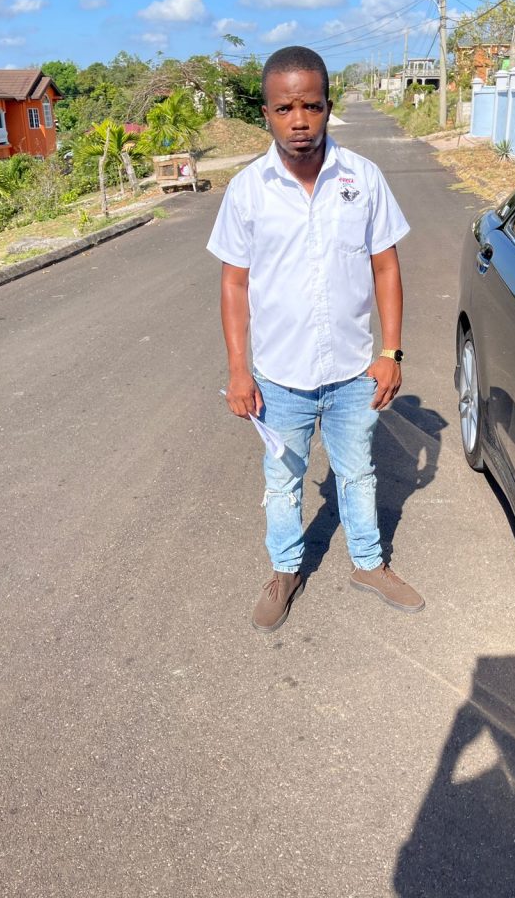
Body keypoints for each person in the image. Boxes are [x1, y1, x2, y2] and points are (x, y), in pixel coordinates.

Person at [207, 45, 424, 632]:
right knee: (283, 481)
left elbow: (386, 267)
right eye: (284, 109)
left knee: (358, 473)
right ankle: (285, 571)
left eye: (311, 106)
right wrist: (238, 370)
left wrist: (390, 351)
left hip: (353, 370)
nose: (298, 120)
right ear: (266, 113)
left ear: (329, 106)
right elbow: (234, 284)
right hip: (280, 377)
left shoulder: (362, 178)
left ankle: (369, 564)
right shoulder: (247, 191)